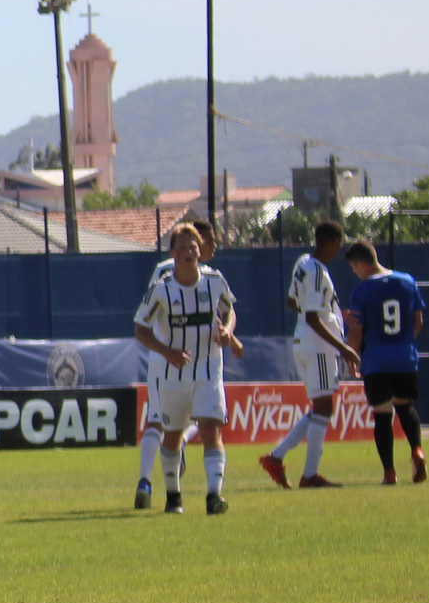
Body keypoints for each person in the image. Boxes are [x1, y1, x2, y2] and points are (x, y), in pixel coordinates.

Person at [134, 218, 243, 508]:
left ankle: (213, 496)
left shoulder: (215, 281)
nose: (189, 251)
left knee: (211, 428)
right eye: (183, 247)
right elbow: (140, 328)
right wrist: (166, 351)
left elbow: (229, 311)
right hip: (172, 372)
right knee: (171, 436)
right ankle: (173, 496)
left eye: (193, 246)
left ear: (200, 250)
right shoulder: (161, 288)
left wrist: (228, 332)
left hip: (208, 370)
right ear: (172, 252)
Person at [260, 220, 358, 489]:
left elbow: (293, 302)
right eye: (339, 243)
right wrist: (344, 347)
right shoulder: (316, 270)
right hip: (317, 345)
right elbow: (313, 317)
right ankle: (310, 475)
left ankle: (276, 457)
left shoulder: (303, 263)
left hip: (305, 340)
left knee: (320, 408)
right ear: (332, 242)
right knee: (325, 408)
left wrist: (332, 311)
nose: (339, 249)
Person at [344, 239, 428, 484]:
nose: (355, 273)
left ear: (360, 264)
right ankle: (417, 450)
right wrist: (404, 344)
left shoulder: (362, 290)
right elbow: (418, 320)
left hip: (376, 361)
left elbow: (357, 329)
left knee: (382, 415)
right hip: (405, 358)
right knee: (405, 406)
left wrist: (352, 354)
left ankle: (389, 473)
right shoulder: (407, 281)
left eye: (354, 268)